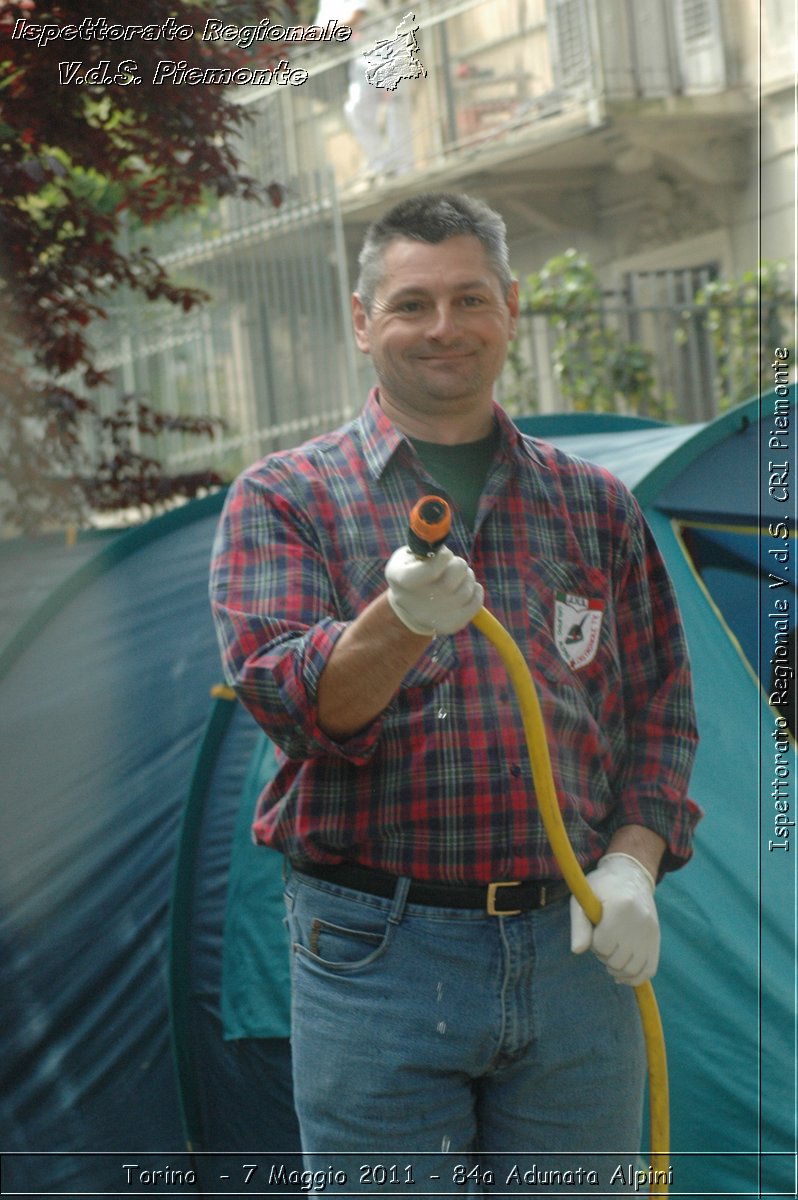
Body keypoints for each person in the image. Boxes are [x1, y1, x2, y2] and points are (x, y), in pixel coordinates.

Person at [210, 192, 701, 1193]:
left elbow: (662, 710)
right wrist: (400, 619)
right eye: (412, 304)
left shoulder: (596, 505)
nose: (444, 327)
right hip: (374, 958)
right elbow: (297, 710)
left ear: (511, 308)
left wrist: (634, 866)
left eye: (470, 298)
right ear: (362, 322)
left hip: (573, 950)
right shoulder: (284, 498)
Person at [314, 0, 415, 178]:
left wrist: (320, 32)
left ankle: (405, 168)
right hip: (363, 58)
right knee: (356, 110)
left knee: (396, 110)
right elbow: (320, 30)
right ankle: (383, 164)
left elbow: (356, 17)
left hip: (389, 50)